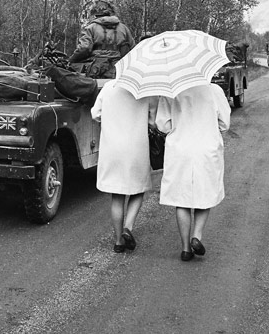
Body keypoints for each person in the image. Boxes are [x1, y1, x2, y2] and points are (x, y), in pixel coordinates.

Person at [155, 84, 230, 261]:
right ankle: (196, 236)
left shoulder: (169, 92)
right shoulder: (214, 90)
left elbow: (163, 125)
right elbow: (225, 123)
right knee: (206, 192)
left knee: (182, 197)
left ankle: (186, 248)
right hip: (206, 146)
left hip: (180, 148)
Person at [91, 80, 157, 253]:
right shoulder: (145, 91)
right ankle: (128, 226)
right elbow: (153, 122)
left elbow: (95, 114)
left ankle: (119, 241)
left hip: (112, 147)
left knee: (117, 195)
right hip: (136, 147)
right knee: (138, 189)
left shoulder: (108, 88)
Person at [68, 0, 135, 64]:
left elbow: (84, 48)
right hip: (119, 67)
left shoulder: (91, 28)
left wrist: (71, 60)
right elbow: (132, 49)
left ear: (94, 13)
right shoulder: (123, 28)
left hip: (95, 67)